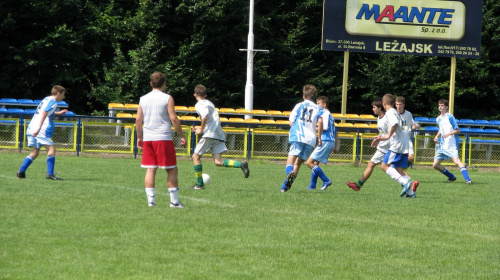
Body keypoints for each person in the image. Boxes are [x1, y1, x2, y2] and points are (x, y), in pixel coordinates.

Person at [135, 71, 186, 208]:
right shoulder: (167, 98)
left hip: (149, 138)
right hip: (163, 137)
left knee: (151, 169)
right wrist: (181, 135)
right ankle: (174, 202)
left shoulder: (143, 98)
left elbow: (138, 120)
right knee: (171, 169)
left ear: (151, 84)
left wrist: (140, 137)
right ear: (164, 83)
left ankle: (151, 201)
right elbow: (174, 118)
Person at [191, 84, 249, 189]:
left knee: (195, 157)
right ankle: (240, 164)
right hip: (218, 134)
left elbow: (205, 116)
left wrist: (201, 128)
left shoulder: (199, 104)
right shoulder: (209, 103)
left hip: (210, 134)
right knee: (218, 162)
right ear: (205, 95)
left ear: (195, 94)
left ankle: (199, 184)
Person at [17, 85, 69, 180]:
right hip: (41, 129)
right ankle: (50, 174)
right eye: (63, 94)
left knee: (34, 152)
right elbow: (44, 113)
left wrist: (58, 113)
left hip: (31, 127)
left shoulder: (46, 99)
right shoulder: (53, 102)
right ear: (58, 93)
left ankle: (21, 171)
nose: (63, 96)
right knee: (51, 149)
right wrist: (39, 128)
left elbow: (44, 111)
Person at [373, 94, 418, 198]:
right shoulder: (394, 112)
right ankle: (411, 194)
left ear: (384, 104)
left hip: (397, 144)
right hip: (403, 142)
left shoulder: (390, 113)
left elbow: (395, 124)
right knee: (398, 169)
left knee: (384, 166)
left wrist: (388, 135)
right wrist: (382, 137)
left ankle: (405, 182)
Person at [280, 84, 323, 192]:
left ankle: (289, 172)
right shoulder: (318, 108)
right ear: (314, 97)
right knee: (298, 164)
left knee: (290, 161)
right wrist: (319, 137)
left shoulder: (299, 105)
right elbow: (320, 122)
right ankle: (284, 187)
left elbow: (291, 121)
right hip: (311, 140)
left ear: (304, 95)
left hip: (299, 136)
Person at [346, 99, 389, 191]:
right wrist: (377, 138)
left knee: (376, 165)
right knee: (374, 164)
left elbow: (391, 133)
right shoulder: (379, 118)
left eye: (374, 107)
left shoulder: (387, 118)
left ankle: (409, 181)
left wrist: (380, 139)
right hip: (383, 146)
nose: (372, 109)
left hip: (387, 147)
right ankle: (358, 185)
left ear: (380, 108)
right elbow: (383, 132)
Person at [432, 99, 472, 184]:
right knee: (435, 165)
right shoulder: (438, 119)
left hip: (451, 144)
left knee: (457, 161)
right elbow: (441, 128)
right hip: (442, 146)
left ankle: (468, 180)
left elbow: (457, 130)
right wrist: (436, 136)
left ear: (446, 107)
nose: (440, 107)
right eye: (439, 105)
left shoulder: (449, 116)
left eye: (442, 105)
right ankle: (451, 177)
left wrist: (448, 134)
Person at [305, 96, 338, 190]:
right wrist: (335, 146)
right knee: (315, 163)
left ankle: (326, 180)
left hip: (325, 140)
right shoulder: (331, 116)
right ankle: (312, 185)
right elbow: (336, 133)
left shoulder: (325, 114)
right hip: (330, 141)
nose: (317, 105)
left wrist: (313, 129)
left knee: (309, 162)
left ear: (324, 104)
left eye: (318, 103)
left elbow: (324, 127)